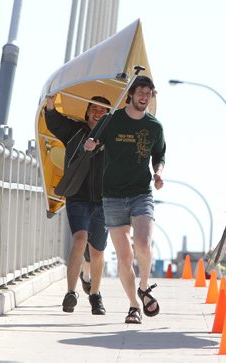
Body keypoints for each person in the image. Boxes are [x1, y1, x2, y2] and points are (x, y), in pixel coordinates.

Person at [84, 75, 165, 324]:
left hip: (141, 193)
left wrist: (158, 174)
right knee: (125, 257)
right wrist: (90, 144)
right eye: (140, 91)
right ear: (131, 94)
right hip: (113, 196)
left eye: (148, 93)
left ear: (151, 97)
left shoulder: (154, 126)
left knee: (142, 244)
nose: (144, 97)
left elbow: (159, 156)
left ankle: (143, 286)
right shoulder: (112, 120)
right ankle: (133, 306)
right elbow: (94, 143)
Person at [45, 94, 111, 315]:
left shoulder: (113, 137)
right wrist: (51, 105)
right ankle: (71, 292)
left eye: (103, 111)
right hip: (77, 197)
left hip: (103, 201)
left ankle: (95, 294)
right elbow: (54, 122)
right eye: (94, 108)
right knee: (80, 239)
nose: (98, 113)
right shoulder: (75, 132)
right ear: (87, 111)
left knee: (97, 252)